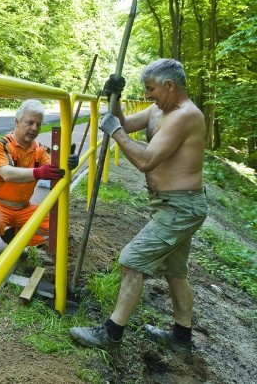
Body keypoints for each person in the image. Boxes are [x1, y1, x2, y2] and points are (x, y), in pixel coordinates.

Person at [69, 58, 208, 354]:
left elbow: (146, 160)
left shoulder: (186, 115)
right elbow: (127, 124)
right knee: (175, 272)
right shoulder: (160, 110)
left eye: (151, 88)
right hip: (168, 205)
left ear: (170, 86)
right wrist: (113, 100)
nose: (147, 95)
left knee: (131, 261)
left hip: (181, 209)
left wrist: (114, 132)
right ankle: (182, 337)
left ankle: (111, 334)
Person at [0, 99, 79, 262]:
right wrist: (39, 172)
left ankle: (14, 235)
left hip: (22, 208)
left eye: (38, 124)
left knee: (56, 224)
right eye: (30, 122)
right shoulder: (0, 145)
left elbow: (55, 167)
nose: (34, 128)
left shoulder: (40, 150)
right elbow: (7, 173)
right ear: (17, 122)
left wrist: (68, 163)